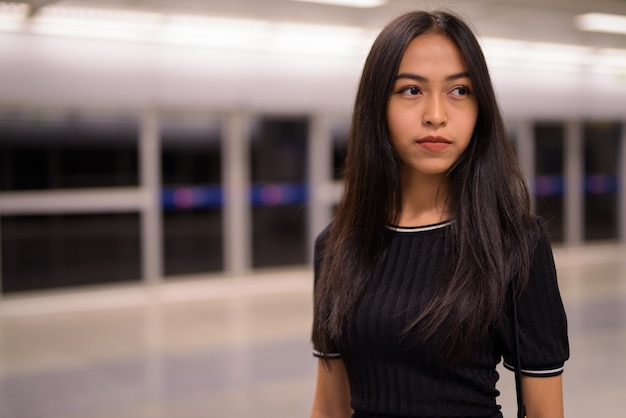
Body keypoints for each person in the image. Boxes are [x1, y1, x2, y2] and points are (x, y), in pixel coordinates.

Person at [310, 9, 569, 418]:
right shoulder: (336, 246)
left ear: (481, 106)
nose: (436, 114)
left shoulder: (515, 244)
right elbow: (329, 407)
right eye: (411, 90)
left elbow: (543, 414)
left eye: (460, 91)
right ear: (377, 106)